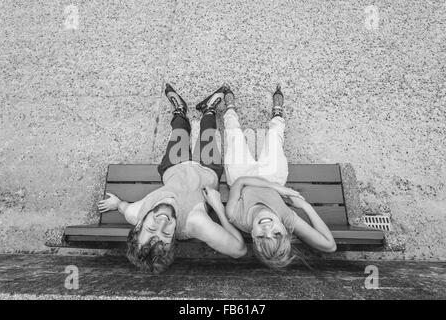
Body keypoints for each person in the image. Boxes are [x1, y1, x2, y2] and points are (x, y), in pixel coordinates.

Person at [98, 83, 247, 274]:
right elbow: (239, 250)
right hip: (207, 169)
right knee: (208, 131)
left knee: (179, 129)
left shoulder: (135, 213)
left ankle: (180, 111)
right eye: (167, 234)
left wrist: (117, 203)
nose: (163, 222)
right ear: (174, 239)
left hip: (174, 167)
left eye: (151, 230)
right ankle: (208, 110)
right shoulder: (194, 223)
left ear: (138, 228)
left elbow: (123, 208)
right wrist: (218, 207)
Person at [223, 84, 337, 269]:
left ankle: (230, 109)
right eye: (276, 234)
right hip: (272, 178)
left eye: (261, 237)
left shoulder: (235, 216)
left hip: (242, 177)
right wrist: (305, 207)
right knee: (274, 137)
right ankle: (277, 113)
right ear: (286, 231)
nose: (267, 230)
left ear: (252, 235)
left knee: (234, 136)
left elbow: (240, 182)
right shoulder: (286, 218)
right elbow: (329, 246)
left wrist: (277, 189)